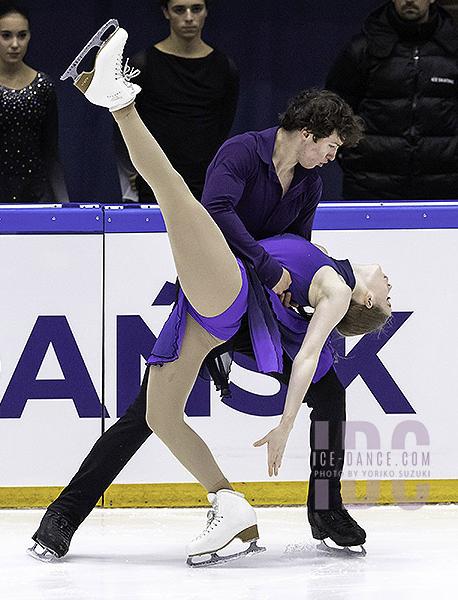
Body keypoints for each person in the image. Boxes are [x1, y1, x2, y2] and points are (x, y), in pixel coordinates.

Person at [29, 24, 391, 564]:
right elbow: (217, 216)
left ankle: (323, 505)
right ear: (311, 132)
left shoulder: (310, 183)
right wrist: (268, 268)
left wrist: (292, 287)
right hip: (223, 284)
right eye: (332, 147)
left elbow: (298, 244)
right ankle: (64, 516)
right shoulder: (240, 154)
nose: (333, 159)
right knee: (146, 413)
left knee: (329, 389)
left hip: (258, 316)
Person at [326, 0, 458, 200]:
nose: (409, 0)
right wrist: (349, 155)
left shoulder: (453, 49)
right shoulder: (363, 48)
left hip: (444, 184)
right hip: (369, 183)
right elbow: (335, 109)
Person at [114, 0, 239, 202]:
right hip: (155, 183)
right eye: (179, 10)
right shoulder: (141, 64)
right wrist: (133, 172)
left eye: (196, 9)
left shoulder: (225, 68)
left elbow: (223, 127)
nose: (189, 17)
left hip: (207, 184)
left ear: (206, 11)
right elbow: (123, 127)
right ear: (166, 12)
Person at [0, 1, 68, 204]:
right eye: (6, 35)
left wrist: (62, 203)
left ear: (29, 36)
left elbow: (51, 153)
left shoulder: (43, 85)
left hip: (35, 194)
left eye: (22, 35)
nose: (15, 44)